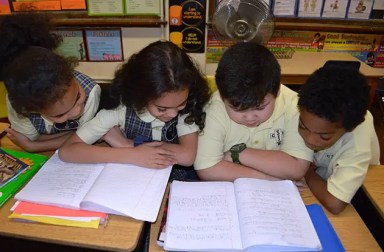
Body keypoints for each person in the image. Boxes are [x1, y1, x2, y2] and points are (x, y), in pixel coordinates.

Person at [59, 40, 211, 180]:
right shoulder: (120, 109)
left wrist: (126, 144)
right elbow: (68, 151)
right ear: (141, 96)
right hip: (134, 184)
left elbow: (187, 156)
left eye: (180, 105)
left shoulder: (189, 104)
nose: (172, 114)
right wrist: (131, 155)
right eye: (161, 108)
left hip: (176, 184)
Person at [194, 42, 313, 181]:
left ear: (278, 91)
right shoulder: (214, 108)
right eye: (237, 109)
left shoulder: (294, 106)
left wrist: (237, 154)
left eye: (260, 107)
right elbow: (207, 170)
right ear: (222, 96)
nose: (250, 117)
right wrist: (269, 179)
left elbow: (297, 168)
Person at [0, 13, 101, 153]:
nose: (77, 111)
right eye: (60, 115)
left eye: (78, 97)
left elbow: (85, 135)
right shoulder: (20, 103)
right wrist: (72, 135)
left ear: (70, 72)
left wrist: (34, 146)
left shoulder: (91, 90)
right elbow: (28, 137)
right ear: (33, 110)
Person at [297, 66, 380, 214]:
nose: (310, 140)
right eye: (302, 127)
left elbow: (335, 203)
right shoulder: (308, 107)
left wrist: (306, 171)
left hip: (357, 190)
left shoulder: (357, 138)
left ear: (349, 128)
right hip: (319, 178)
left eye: (324, 136)